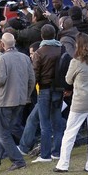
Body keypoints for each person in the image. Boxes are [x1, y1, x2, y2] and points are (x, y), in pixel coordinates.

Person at [54, 33, 88, 173]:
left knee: (70, 132)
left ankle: (63, 164)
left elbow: (68, 80)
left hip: (81, 100)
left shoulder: (76, 61)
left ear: (78, 45)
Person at [0, 32, 34, 172]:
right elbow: (31, 80)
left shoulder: (3, 59)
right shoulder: (25, 58)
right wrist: (26, 95)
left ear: (3, 44)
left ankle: (18, 161)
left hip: (3, 101)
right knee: (5, 133)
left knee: (3, 134)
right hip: (19, 101)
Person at [31, 24, 66, 163]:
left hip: (44, 89)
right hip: (58, 89)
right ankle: (57, 152)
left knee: (44, 123)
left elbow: (35, 74)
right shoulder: (61, 49)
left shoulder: (39, 52)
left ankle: (45, 154)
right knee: (57, 121)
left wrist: (31, 90)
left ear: (41, 36)